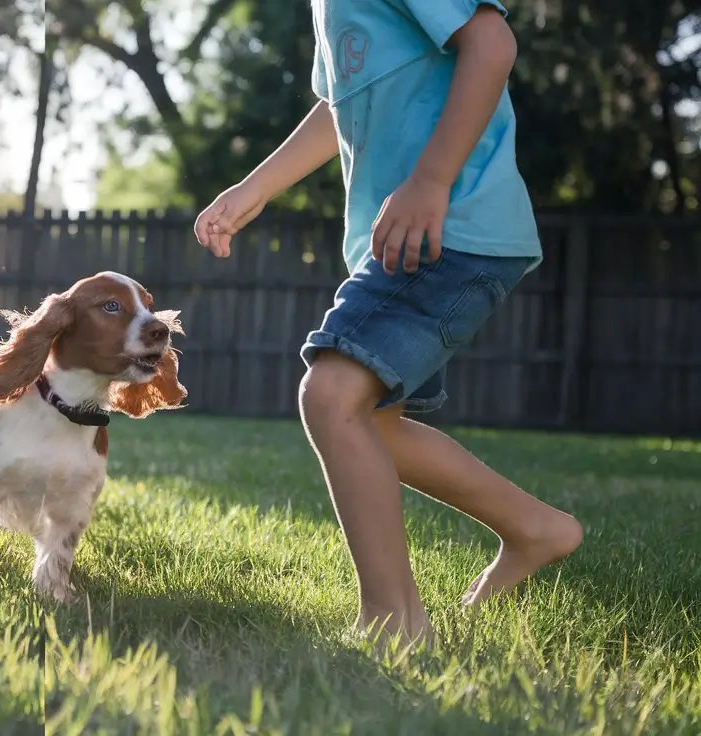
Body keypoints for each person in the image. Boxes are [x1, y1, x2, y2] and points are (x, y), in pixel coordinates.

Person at [193, 0, 582, 646]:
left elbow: (491, 45)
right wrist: (254, 188)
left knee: (331, 394)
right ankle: (534, 528)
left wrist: (430, 180)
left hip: (451, 223)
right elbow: (338, 104)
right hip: (416, 239)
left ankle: (393, 622)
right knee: (372, 424)